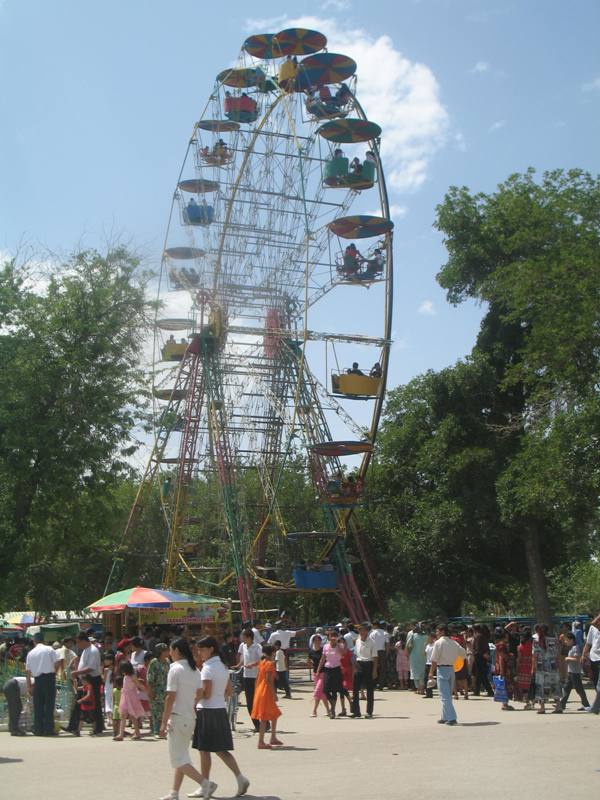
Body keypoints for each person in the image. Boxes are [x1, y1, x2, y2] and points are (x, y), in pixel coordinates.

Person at [188, 636, 250, 799]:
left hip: (207, 711)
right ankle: (239, 777)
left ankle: (205, 785)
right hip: (219, 709)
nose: (199, 652)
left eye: (202, 649)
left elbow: (206, 694)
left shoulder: (207, 668)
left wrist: (193, 699)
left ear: (211, 649)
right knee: (220, 749)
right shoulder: (222, 666)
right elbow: (229, 691)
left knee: (204, 750)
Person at [157, 638, 205, 800]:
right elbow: (199, 693)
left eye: (171, 650)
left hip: (177, 717)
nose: (169, 653)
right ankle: (174, 792)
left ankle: (205, 783)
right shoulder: (194, 670)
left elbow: (170, 698)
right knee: (182, 757)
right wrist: (191, 705)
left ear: (176, 650)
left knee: (178, 759)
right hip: (190, 717)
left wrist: (163, 722)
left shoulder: (175, 669)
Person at [429, 624, 466, 726]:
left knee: (444, 696)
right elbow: (463, 654)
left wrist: (431, 672)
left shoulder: (438, 643)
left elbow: (434, 660)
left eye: (437, 631)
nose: (436, 633)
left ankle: (452, 718)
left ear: (442, 632)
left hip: (442, 669)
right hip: (451, 669)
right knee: (447, 695)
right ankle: (445, 716)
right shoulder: (454, 642)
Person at [25, 631, 60, 736]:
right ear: (44, 640)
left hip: (37, 680)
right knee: (49, 705)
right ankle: (48, 729)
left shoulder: (30, 653)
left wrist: (29, 686)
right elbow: (57, 663)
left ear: (34, 641)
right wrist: (54, 673)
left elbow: (27, 672)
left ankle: (38, 729)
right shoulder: (49, 649)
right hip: (48, 678)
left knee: (38, 706)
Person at [71, 632, 104, 735]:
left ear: (84, 641)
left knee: (95, 704)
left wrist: (77, 672)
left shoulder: (93, 650)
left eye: (78, 642)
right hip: (85, 679)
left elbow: (91, 668)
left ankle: (98, 727)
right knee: (79, 703)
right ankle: (73, 726)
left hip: (92, 679)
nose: (78, 645)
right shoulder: (85, 650)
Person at [252, 644, 283, 749]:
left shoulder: (262, 662)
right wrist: (274, 694)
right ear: (273, 653)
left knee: (274, 714)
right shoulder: (269, 664)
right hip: (266, 692)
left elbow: (258, 679)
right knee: (265, 718)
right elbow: (269, 681)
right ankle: (261, 741)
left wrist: (256, 691)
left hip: (260, 691)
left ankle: (273, 737)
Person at [235, 629, 262, 731]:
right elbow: (243, 658)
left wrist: (253, 664)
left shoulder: (257, 647)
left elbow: (262, 659)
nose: (242, 638)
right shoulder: (243, 646)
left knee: (257, 701)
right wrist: (238, 665)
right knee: (249, 703)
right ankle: (257, 725)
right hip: (247, 677)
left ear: (249, 637)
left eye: (243, 636)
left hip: (256, 677)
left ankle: (264, 723)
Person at [531, 624, 561, 714]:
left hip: (541, 666)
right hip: (552, 666)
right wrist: (558, 665)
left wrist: (533, 668)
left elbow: (535, 655)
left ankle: (542, 707)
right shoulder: (553, 640)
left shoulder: (536, 640)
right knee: (554, 685)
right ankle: (558, 705)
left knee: (541, 686)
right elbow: (557, 654)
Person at [316, 630, 346, 718]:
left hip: (336, 669)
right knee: (325, 690)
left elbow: (343, 653)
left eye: (334, 636)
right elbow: (322, 659)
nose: (332, 638)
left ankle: (332, 710)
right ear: (328, 637)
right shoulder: (325, 646)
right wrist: (318, 670)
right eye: (331, 636)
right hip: (328, 668)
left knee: (334, 691)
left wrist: (337, 644)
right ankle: (332, 707)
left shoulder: (340, 646)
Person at [351, 623, 378, 718]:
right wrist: (354, 667)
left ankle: (369, 712)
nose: (362, 632)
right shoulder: (357, 640)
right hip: (359, 664)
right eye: (360, 630)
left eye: (364, 630)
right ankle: (356, 711)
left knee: (369, 689)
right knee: (355, 689)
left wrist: (374, 671)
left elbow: (375, 657)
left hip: (368, 664)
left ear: (367, 631)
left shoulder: (372, 642)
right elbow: (355, 655)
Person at [559, 631, 590, 711]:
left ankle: (586, 704)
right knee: (566, 688)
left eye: (566, 640)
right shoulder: (571, 648)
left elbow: (577, 658)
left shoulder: (575, 647)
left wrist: (568, 658)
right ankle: (562, 704)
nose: (565, 642)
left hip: (575, 672)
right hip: (571, 672)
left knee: (579, 689)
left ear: (571, 640)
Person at [114, 661, 144, 740]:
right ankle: (121, 734)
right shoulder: (126, 676)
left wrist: (146, 691)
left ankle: (137, 733)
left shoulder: (132, 676)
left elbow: (138, 685)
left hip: (131, 697)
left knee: (132, 715)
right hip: (125, 696)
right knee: (123, 715)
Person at [148, 643, 170, 736]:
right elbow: (150, 678)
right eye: (165, 650)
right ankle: (156, 731)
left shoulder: (167, 661)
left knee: (165, 710)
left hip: (166, 690)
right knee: (156, 711)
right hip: (156, 690)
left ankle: (164, 729)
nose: (168, 652)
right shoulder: (154, 662)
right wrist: (151, 691)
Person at [307, 634, 330, 717]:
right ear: (313, 641)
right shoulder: (311, 651)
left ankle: (314, 711)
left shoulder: (322, 650)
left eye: (318, 640)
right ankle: (328, 710)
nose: (317, 642)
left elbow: (326, 660)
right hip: (315, 673)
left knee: (317, 691)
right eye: (315, 640)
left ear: (321, 641)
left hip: (323, 673)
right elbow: (308, 661)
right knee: (322, 693)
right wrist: (311, 664)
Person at [407, 623, 427, 694]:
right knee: (422, 672)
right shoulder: (426, 637)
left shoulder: (413, 636)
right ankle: (422, 688)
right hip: (423, 657)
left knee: (415, 672)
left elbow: (408, 646)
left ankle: (418, 688)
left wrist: (408, 654)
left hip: (414, 656)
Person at [515, 628, 534, 707]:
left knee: (524, 686)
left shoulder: (520, 647)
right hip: (532, 666)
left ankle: (527, 702)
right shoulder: (533, 646)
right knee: (532, 685)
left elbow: (519, 659)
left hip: (523, 667)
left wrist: (517, 668)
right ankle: (533, 701)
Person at [581, 612, 600, 687]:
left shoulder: (595, 625)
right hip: (593, 657)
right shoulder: (593, 628)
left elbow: (593, 623)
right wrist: (583, 655)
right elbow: (588, 643)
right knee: (595, 680)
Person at [369, 621, 388, 689]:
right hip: (382, 651)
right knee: (382, 668)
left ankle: (373, 684)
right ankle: (381, 685)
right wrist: (387, 653)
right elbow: (387, 644)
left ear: (375, 626)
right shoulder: (385, 633)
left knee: (374, 667)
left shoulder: (372, 633)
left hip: (374, 651)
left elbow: (370, 643)